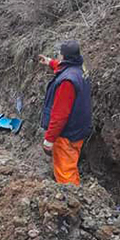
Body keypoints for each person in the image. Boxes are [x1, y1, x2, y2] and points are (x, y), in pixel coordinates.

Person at [38, 40, 92, 186]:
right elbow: (66, 68)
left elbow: (59, 115)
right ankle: (79, 196)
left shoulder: (66, 82)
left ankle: (73, 202)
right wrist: (50, 62)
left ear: (64, 56)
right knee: (70, 164)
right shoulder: (80, 68)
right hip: (79, 128)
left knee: (65, 173)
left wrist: (49, 140)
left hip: (67, 134)